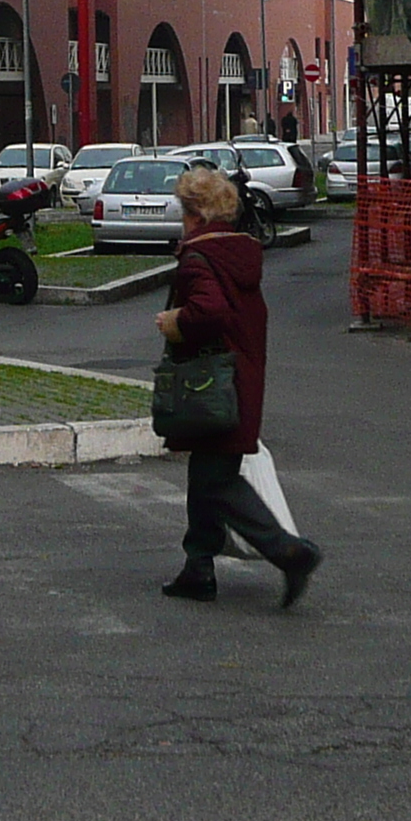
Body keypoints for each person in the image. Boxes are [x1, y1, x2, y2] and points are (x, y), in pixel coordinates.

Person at [154, 164, 320, 607]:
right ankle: (198, 567)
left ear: (193, 213)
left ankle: (290, 552)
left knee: (220, 482)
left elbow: (210, 313)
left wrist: (175, 322)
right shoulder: (237, 252)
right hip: (239, 380)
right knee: (206, 474)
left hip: (214, 386)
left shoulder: (198, 258)